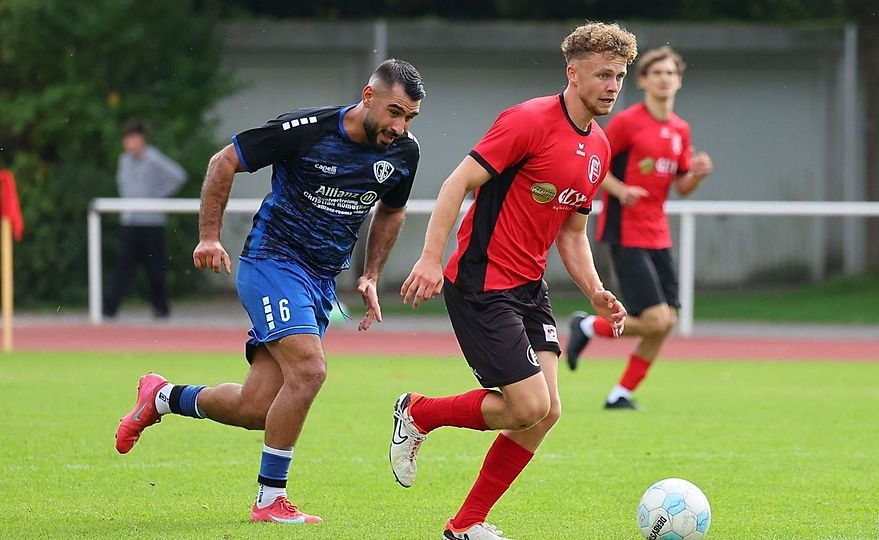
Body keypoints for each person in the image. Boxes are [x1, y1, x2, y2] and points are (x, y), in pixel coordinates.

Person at [114, 59, 425, 524]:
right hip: (272, 262)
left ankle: (162, 397)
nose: (400, 127)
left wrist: (371, 274)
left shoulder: (404, 153)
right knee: (310, 370)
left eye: (410, 118)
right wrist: (208, 237)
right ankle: (269, 500)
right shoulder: (307, 130)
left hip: (319, 280)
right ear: (368, 96)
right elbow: (224, 161)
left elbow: (392, 211)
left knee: (256, 408)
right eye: (395, 112)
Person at [393, 23, 634, 540]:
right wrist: (431, 258)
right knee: (528, 406)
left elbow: (572, 233)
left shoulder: (600, 147)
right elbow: (457, 182)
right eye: (602, 74)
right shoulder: (528, 120)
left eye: (619, 76)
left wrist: (595, 291)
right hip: (482, 281)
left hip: (528, 288)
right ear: (573, 73)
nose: (613, 85)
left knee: (545, 413)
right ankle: (418, 412)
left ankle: (466, 524)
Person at [564, 46, 714, 410]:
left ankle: (620, 392)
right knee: (656, 319)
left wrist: (696, 175)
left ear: (679, 81)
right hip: (626, 230)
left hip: (658, 232)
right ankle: (588, 328)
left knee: (666, 321)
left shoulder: (680, 129)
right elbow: (596, 164)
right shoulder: (628, 122)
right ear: (643, 80)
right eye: (656, 73)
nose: (664, 79)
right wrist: (620, 190)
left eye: (670, 73)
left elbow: (681, 185)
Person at [103, 119, 187, 319]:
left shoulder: (153, 158)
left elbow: (178, 176)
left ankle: (161, 309)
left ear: (142, 139)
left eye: (133, 138)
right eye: (127, 139)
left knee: (155, 267)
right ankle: (109, 309)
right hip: (130, 221)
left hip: (151, 222)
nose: (130, 143)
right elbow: (123, 184)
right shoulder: (124, 160)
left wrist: (157, 197)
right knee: (123, 266)